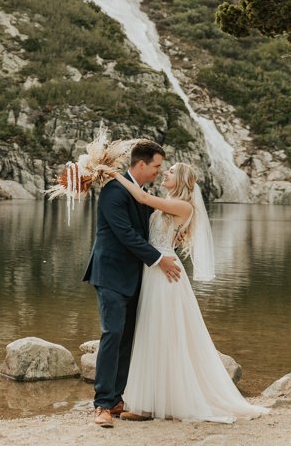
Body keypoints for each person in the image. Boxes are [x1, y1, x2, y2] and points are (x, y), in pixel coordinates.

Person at [113, 162, 268, 423]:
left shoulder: (183, 206)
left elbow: (141, 196)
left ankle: (157, 403)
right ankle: (148, 401)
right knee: (151, 332)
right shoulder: (168, 202)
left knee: (164, 334)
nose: (165, 173)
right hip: (153, 270)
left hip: (166, 273)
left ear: (183, 180)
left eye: (171, 171)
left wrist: (115, 174)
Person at [82, 140, 184, 428]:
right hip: (111, 274)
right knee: (112, 334)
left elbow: (147, 231)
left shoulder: (141, 193)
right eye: (156, 167)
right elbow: (125, 234)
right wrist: (158, 260)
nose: (158, 172)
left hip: (136, 277)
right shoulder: (114, 191)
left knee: (127, 338)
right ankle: (101, 404)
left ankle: (116, 398)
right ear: (141, 164)